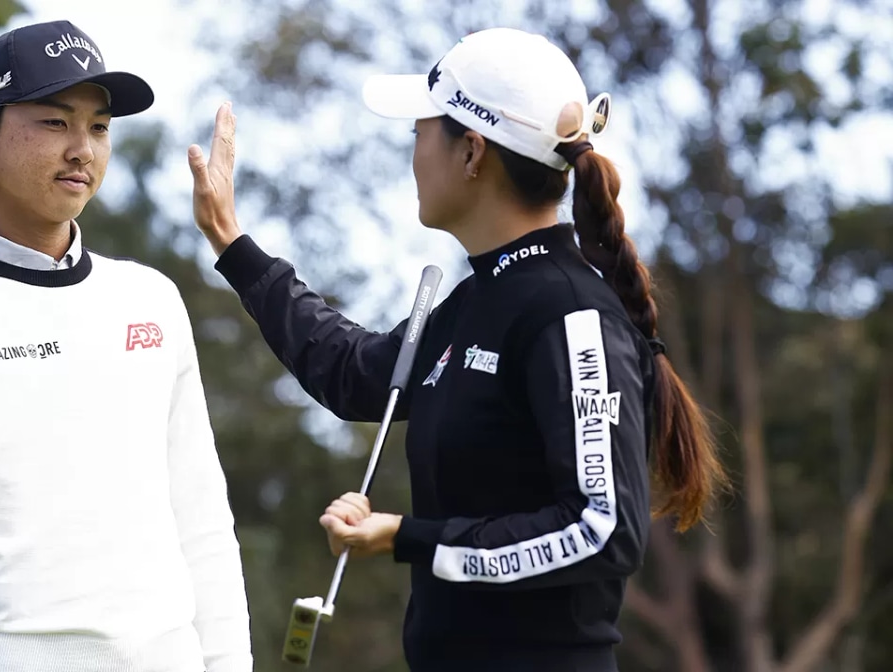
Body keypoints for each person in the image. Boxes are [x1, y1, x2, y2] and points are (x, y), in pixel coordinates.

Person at [187, 27, 726, 672]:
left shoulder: (570, 312)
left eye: (419, 133)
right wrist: (230, 241)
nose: (413, 154)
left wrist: (409, 537)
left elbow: (601, 530)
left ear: (471, 152)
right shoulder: (479, 299)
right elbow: (355, 374)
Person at [0, 19, 252, 672]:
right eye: (56, 123)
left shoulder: (149, 299)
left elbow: (199, 518)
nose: (82, 149)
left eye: (99, 127)